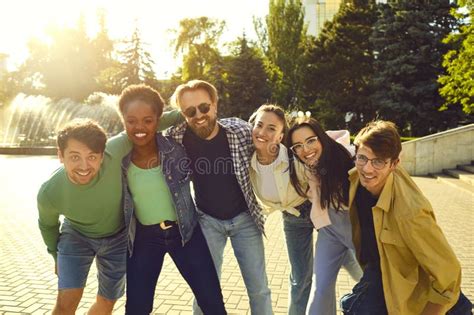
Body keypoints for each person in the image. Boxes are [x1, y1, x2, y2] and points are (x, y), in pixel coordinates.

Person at [37, 111, 181, 314]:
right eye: (74, 157)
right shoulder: (50, 192)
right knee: (66, 303)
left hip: (118, 238)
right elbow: (47, 225)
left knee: (106, 303)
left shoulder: (115, 150)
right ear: (60, 155)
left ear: (103, 155)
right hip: (76, 236)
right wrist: (54, 256)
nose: (84, 166)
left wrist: (190, 111)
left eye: (92, 157)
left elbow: (148, 124)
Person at [341, 120, 472, 315]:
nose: (367, 169)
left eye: (378, 161)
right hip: (384, 270)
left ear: (395, 164)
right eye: (362, 158)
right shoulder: (355, 179)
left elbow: (449, 274)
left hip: (427, 297)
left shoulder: (410, 213)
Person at [117, 84, 226, 314]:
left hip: (186, 233)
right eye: (131, 121)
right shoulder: (118, 160)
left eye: (148, 120)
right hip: (144, 239)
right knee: (137, 308)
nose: (139, 128)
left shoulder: (176, 149)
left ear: (159, 120)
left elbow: (194, 116)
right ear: (123, 121)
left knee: (213, 304)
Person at [166, 80, 272, 314]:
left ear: (214, 105)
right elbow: (146, 127)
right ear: (182, 114)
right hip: (206, 221)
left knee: (259, 290)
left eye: (204, 107)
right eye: (190, 111)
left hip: (245, 219)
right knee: (204, 289)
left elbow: (273, 144)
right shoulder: (176, 138)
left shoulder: (240, 131)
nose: (199, 115)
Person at [287, 116, 362, 315]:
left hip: (358, 229)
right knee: (320, 289)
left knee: (375, 281)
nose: (306, 149)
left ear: (321, 137)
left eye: (311, 140)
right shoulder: (309, 166)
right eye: (298, 146)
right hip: (330, 230)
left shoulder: (349, 158)